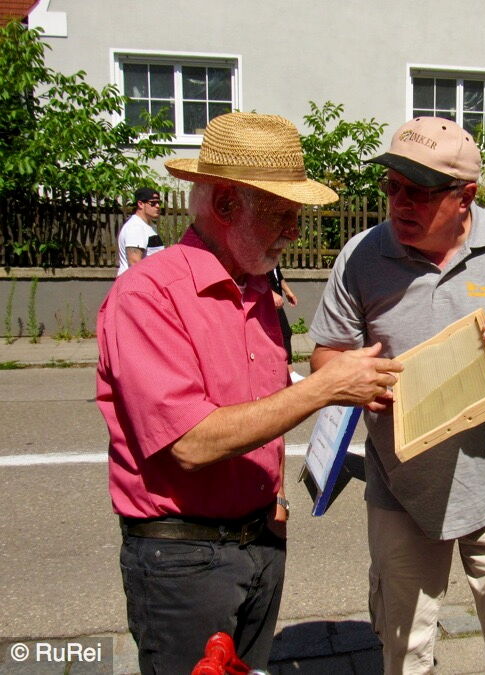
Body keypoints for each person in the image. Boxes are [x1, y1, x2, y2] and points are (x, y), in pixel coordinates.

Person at [95, 112, 403, 674]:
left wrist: (274, 500)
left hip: (259, 539)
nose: (295, 231)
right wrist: (323, 389)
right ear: (226, 204)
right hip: (184, 558)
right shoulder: (148, 295)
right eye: (282, 214)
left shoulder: (256, 289)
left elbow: (259, 409)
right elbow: (191, 443)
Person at [308, 116, 485, 674]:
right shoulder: (361, 254)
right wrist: (355, 381)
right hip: (401, 487)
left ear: (466, 197)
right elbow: (326, 355)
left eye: (420, 191)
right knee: (404, 649)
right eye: (393, 187)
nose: (400, 203)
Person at [117, 187, 165, 275]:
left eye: (159, 203)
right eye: (153, 203)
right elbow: (134, 263)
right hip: (134, 281)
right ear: (140, 204)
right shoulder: (135, 227)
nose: (157, 206)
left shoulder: (147, 226)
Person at [267, 264, 297, 362]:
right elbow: (254, 277)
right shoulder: (259, 257)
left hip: (275, 303)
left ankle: (286, 367)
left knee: (284, 333)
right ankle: (288, 368)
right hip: (264, 301)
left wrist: (288, 291)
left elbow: (278, 275)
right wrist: (271, 293)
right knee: (284, 333)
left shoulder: (273, 257)